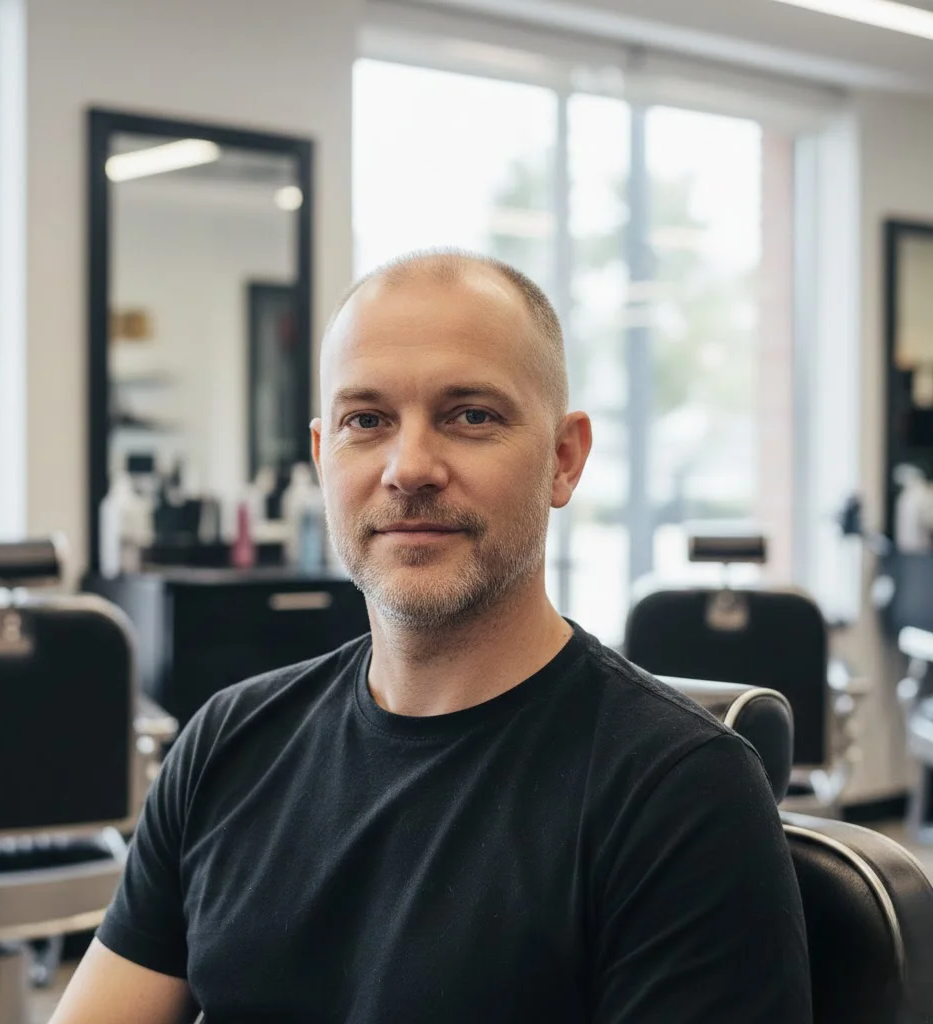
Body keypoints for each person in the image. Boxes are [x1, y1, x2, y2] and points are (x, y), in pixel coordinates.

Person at [51, 251, 811, 1023]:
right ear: (322, 457)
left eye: (470, 415)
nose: (408, 468)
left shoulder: (678, 795)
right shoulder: (226, 743)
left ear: (564, 458)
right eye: (366, 421)